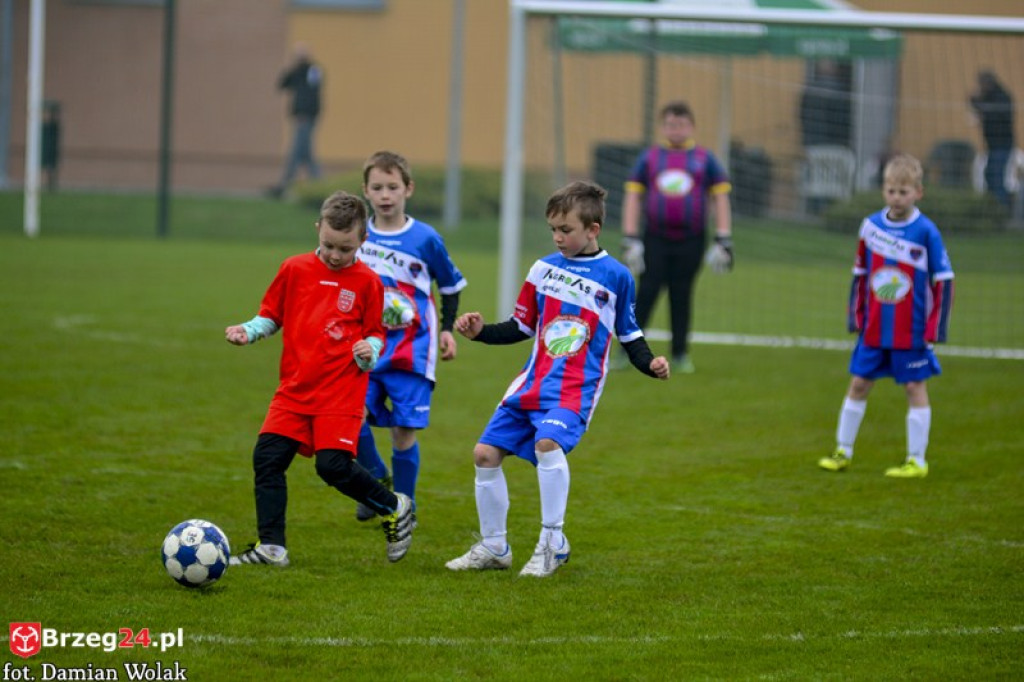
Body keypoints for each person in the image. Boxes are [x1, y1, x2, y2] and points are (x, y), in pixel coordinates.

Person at [445, 181, 670, 578]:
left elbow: (630, 335)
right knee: (484, 454)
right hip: (531, 385)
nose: (558, 237)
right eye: (553, 229)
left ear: (593, 229)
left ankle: (553, 542)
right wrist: (479, 332)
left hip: (573, 391)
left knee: (547, 444)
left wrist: (650, 364)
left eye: (566, 229)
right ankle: (495, 547)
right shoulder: (543, 268)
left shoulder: (616, 276)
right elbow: (520, 326)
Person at [225, 190, 414, 566]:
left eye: (345, 248)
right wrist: (249, 330)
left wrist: (370, 350)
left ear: (363, 240)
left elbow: (376, 332)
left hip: (340, 391)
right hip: (294, 388)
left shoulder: (368, 282)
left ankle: (394, 506)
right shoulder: (294, 268)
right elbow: (271, 315)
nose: (335, 255)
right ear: (318, 229)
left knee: (332, 467)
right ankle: (272, 548)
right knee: (267, 458)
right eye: (328, 244)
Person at [819, 154, 955, 479]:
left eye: (903, 192)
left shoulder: (926, 231)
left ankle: (917, 460)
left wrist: (936, 327)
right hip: (875, 329)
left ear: (918, 192)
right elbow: (860, 274)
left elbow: (945, 281)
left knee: (914, 388)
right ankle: (843, 451)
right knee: (859, 384)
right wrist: (857, 317)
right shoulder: (870, 227)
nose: (896, 198)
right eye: (891, 190)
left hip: (912, 330)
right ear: (883, 191)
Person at [352, 151, 468, 524]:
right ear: (366, 191)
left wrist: (448, 329)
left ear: (408, 189)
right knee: (350, 417)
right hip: (366, 347)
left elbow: (450, 286)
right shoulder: (358, 236)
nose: (385, 195)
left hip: (412, 350)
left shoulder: (425, 238)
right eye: (377, 187)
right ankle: (373, 479)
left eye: (393, 187)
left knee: (403, 432)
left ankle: (405, 506)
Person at [619, 101, 733, 374]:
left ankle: (680, 354)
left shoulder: (705, 159)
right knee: (645, 292)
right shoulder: (650, 158)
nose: (676, 129)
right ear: (662, 127)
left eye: (681, 124)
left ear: (691, 127)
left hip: (691, 239)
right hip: (654, 238)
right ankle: (629, 353)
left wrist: (723, 238)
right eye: (670, 124)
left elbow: (720, 198)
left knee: (681, 294)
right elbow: (634, 196)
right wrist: (630, 237)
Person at [268, 44, 323, 199]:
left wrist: (305, 112)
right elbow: (283, 84)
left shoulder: (313, 71)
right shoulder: (297, 72)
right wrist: (292, 67)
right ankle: (319, 185)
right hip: (299, 117)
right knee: (305, 152)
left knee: (298, 151)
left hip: (306, 116)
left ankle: (285, 185)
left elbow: (311, 93)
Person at [969, 70, 1016, 209]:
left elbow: (998, 117)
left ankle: (1002, 209)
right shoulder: (989, 97)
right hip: (993, 145)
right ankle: (992, 208)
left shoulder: (1001, 97)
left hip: (1002, 144)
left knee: (996, 177)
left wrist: (981, 106)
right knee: (990, 174)